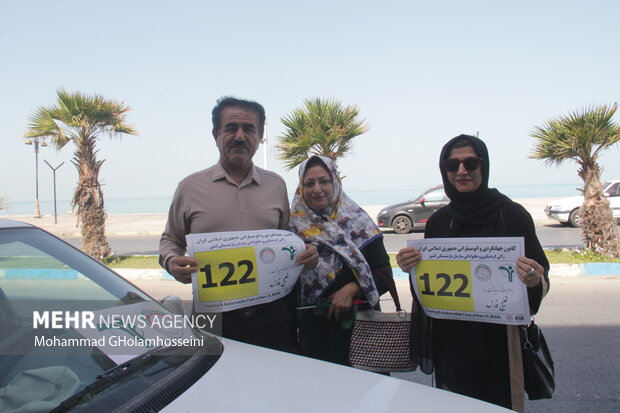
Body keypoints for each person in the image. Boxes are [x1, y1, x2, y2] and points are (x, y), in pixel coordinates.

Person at [396, 134, 549, 412]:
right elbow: (429, 288)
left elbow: (540, 277)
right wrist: (412, 267)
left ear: (484, 165)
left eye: (470, 163)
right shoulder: (439, 221)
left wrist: (534, 279)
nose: (462, 171)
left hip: (500, 346)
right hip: (451, 347)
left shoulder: (512, 215)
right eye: (452, 165)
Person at [159, 96, 318, 352]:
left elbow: (287, 239)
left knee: (276, 385)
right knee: (211, 386)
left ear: (260, 135)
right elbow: (170, 240)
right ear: (216, 134)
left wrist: (306, 253)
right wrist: (170, 261)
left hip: (274, 317)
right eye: (231, 128)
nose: (240, 136)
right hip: (213, 317)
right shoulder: (190, 187)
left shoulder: (276, 185)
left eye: (249, 129)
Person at [290, 155, 392, 365]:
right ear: (301, 188)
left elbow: (384, 273)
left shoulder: (359, 222)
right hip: (316, 337)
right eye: (309, 183)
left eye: (324, 181)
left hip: (361, 333)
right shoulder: (292, 230)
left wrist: (352, 289)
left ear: (335, 182)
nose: (317, 188)